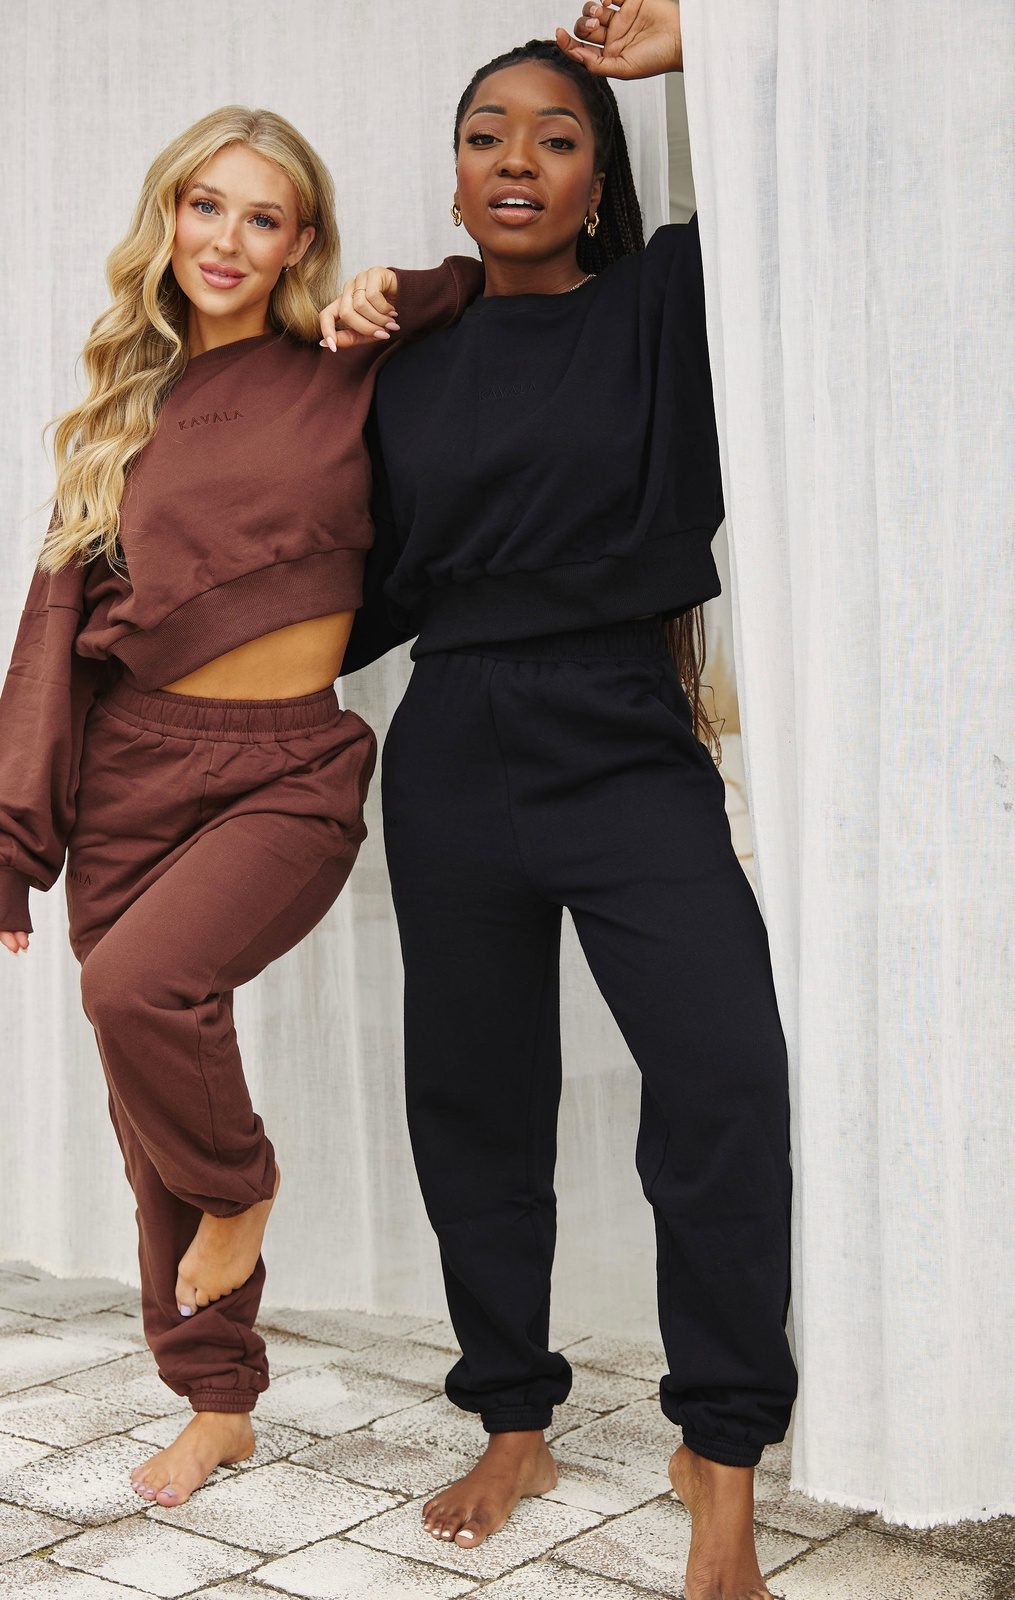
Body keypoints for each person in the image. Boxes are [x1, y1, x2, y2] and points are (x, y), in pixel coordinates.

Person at [321, 5, 795, 1597]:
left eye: (557, 135)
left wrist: (702, 50)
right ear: (454, 173)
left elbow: (801, 176)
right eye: (486, 136)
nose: (516, 159)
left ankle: (720, 1451)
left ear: (601, 179)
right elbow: (349, 576)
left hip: (622, 731)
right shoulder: (404, 362)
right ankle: (512, 1417)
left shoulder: (660, 304)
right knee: (474, 1096)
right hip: (452, 736)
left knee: (724, 1079)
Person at [0, 104, 480, 1509]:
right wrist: (14, 840)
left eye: (262, 217)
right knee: (145, 1094)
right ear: (169, 219)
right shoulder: (119, 414)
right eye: (204, 206)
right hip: (132, 771)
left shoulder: (341, 363)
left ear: (299, 241)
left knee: (139, 990)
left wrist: (396, 289)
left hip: (288, 765)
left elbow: (476, 292)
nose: (227, 238)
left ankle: (245, 1186)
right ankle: (217, 1399)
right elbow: (51, 641)